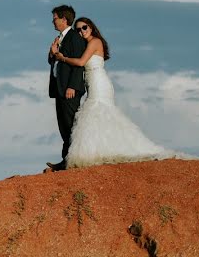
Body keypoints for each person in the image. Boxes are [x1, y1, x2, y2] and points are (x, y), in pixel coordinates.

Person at [51, 17, 189, 168]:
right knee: (97, 117)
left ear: (91, 27)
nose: (81, 31)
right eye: (78, 30)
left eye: (84, 27)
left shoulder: (94, 42)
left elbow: (81, 62)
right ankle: (97, 151)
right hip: (91, 82)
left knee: (97, 112)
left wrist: (62, 58)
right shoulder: (84, 44)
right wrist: (55, 53)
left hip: (99, 82)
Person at [46, 5, 87, 171]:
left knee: (70, 125)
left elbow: (79, 65)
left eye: (55, 18)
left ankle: (71, 160)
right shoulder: (60, 38)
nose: (52, 21)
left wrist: (72, 86)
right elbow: (55, 62)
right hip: (59, 88)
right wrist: (52, 53)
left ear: (64, 19)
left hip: (69, 89)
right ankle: (66, 159)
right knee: (63, 125)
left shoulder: (74, 38)